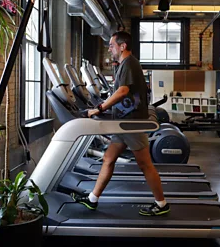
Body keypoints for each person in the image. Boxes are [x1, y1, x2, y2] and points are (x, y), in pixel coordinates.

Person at [71, 31, 170, 216]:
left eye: (111, 45)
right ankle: (93, 199)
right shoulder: (124, 65)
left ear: (122, 46)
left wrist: (99, 108)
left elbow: (123, 91)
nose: (109, 48)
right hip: (122, 123)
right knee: (108, 158)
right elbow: (122, 92)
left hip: (131, 124)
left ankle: (162, 204)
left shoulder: (129, 63)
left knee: (145, 165)